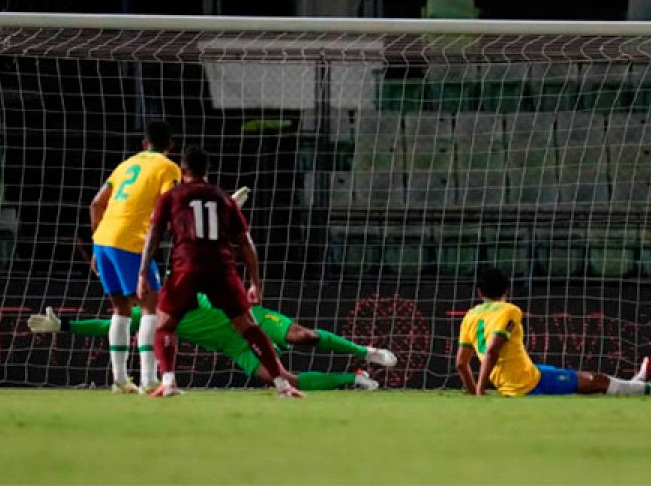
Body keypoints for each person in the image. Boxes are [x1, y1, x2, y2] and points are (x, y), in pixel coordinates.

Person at [137, 145, 301, 398]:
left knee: (164, 325)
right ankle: (282, 384)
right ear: (207, 171)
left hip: (186, 266)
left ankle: (168, 382)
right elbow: (246, 243)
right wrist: (255, 281)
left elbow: (154, 235)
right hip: (221, 269)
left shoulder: (171, 197)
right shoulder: (224, 198)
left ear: (183, 169)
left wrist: (142, 273)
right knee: (249, 327)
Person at [27, 297, 384, 391]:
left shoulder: (193, 281)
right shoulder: (155, 314)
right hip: (234, 346)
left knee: (304, 337)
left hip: (249, 318)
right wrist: (65, 325)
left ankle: (366, 352)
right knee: (283, 380)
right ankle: (352, 377)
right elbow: (110, 325)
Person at [455, 266, 651, 397]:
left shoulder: (470, 316)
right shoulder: (509, 310)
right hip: (526, 384)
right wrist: (479, 392)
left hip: (529, 372)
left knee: (584, 379)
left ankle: (636, 383)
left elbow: (460, 364)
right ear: (507, 288)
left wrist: (472, 389)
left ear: (478, 293)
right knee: (596, 382)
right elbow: (494, 349)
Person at [91, 121, 181, 394]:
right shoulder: (168, 167)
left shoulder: (126, 165)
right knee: (152, 305)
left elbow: (96, 203)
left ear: (145, 144)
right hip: (130, 240)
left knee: (121, 308)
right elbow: (170, 205)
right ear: (170, 146)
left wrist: (97, 242)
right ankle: (149, 379)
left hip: (103, 239)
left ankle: (119, 379)